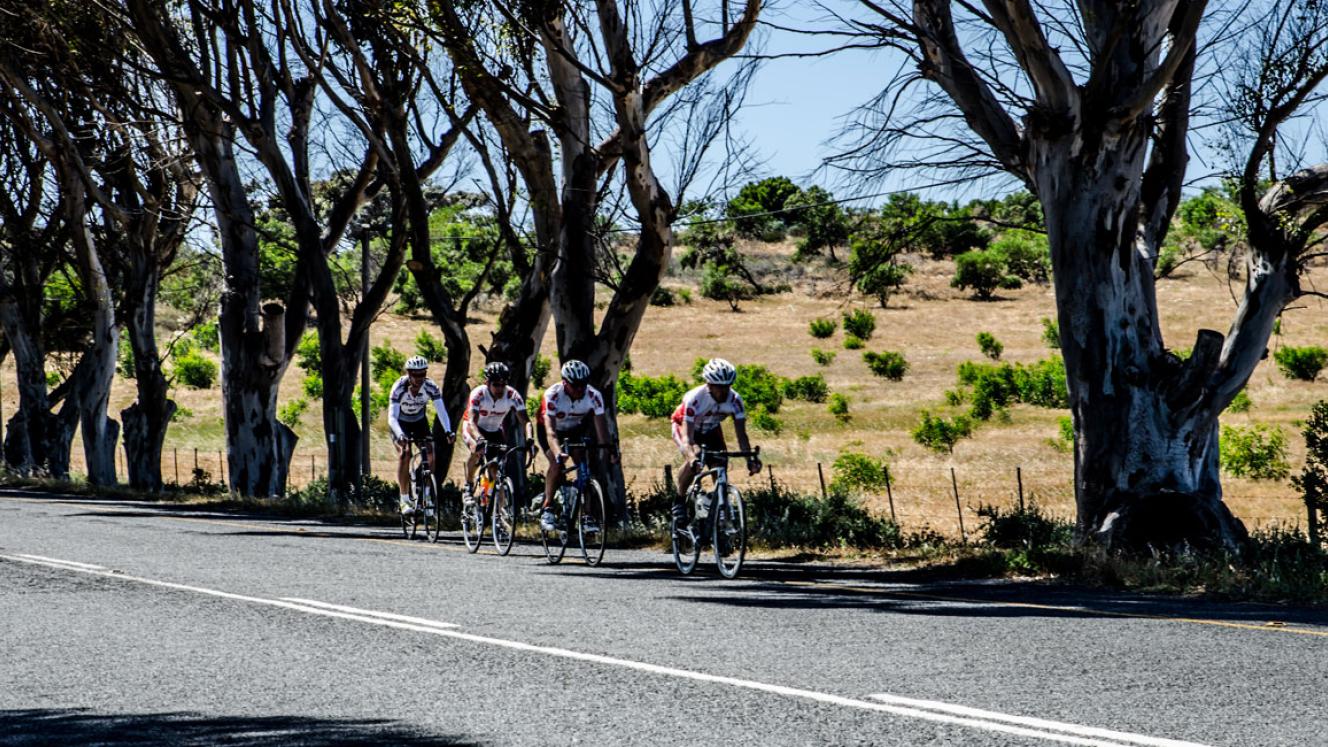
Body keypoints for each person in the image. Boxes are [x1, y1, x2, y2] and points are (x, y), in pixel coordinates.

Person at [670, 358, 761, 525]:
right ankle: (679, 499)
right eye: (719, 387)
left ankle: (719, 509)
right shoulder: (694, 399)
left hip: (711, 430)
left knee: (720, 463)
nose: (723, 392)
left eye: (727, 387)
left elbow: (742, 436)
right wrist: (692, 458)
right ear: (708, 385)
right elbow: (687, 438)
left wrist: (750, 459)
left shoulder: (735, 401)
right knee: (695, 456)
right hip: (684, 427)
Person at [536, 359, 617, 532]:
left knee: (583, 468)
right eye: (575, 385)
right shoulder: (552, 395)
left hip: (574, 428)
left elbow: (602, 429)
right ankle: (547, 506)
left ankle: (586, 516)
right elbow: (550, 431)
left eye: (583, 385)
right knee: (556, 464)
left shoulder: (594, 396)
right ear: (565, 383)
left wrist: (609, 449)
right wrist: (558, 452)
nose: (580, 389)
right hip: (549, 431)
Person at [387, 356, 455, 515]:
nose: (419, 378)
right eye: (415, 375)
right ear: (408, 373)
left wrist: (448, 431)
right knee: (405, 453)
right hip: (400, 423)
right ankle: (404, 499)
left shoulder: (430, 387)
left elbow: (441, 410)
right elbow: (391, 417)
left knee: (431, 453)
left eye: (422, 374)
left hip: (419, 421)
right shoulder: (399, 387)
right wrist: (400, 434)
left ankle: (426, 497)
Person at [461, 361, 531, 503]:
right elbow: (472, 422)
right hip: (474, 429)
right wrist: (479, 439)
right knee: (477, 451)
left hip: (495, 431)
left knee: (495, 470)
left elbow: (526, 422)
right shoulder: (478, 394)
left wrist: (529, 439)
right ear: (487, 383)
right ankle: (468, 486)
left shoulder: (512, 395)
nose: (500, 389)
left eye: (503, 384)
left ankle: (498, 515)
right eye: (496, 385)